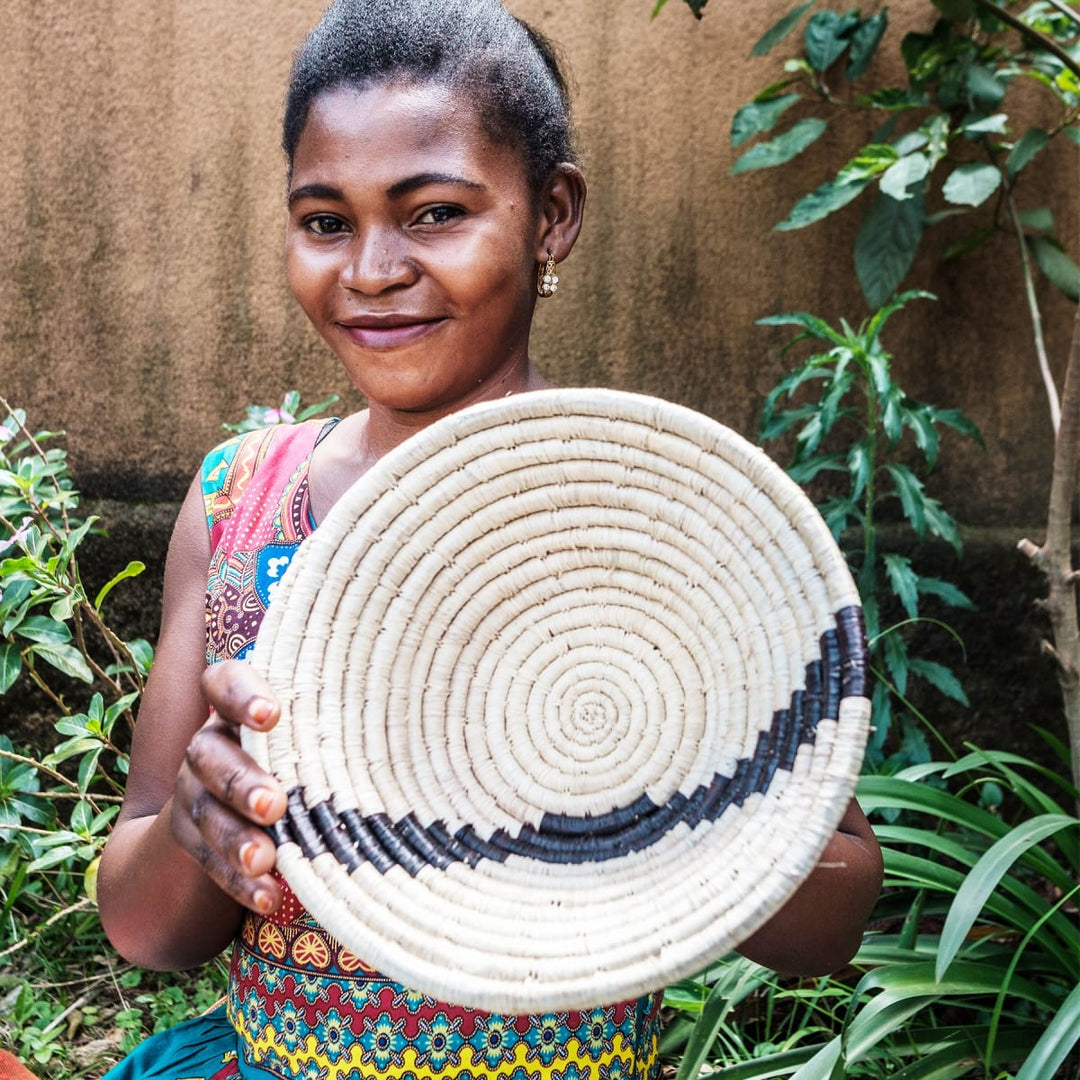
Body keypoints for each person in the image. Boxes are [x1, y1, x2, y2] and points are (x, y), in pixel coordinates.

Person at [97, 1, 884, 1077]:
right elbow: (142, 931)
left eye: (433, 213)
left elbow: (826, 933)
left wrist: (645, 770)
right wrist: (203, 820)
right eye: (325, 221)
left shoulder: (664, 515)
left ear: (552, 214)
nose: (371, 269)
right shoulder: (239, 500)